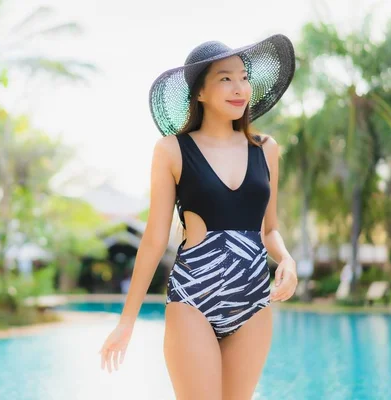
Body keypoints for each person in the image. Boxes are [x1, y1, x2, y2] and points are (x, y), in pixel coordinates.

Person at [98, 34, 299, 399]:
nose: (239, 88)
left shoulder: (267, 150)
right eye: (225, 78)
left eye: (243, 77)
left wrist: (286, 259)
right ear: (200, 93)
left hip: (253, 300)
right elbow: (155, 239)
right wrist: (126, 322)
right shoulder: (172, 151)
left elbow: (269, 229)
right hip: (194, 299)